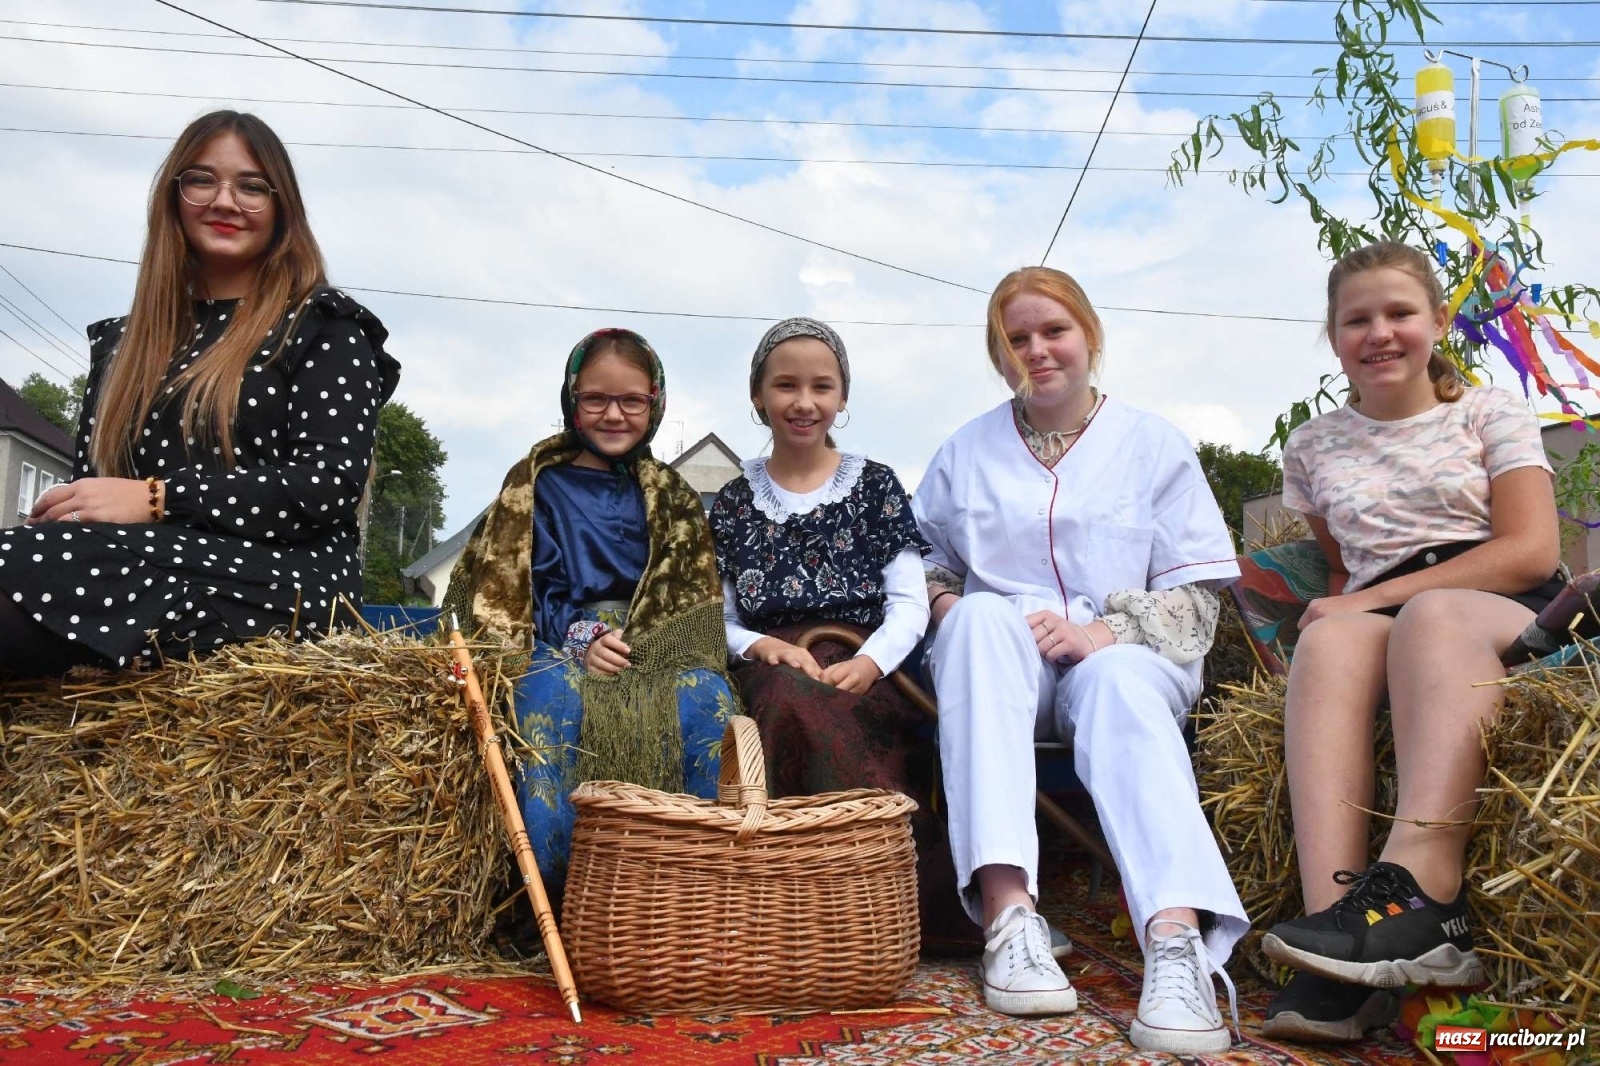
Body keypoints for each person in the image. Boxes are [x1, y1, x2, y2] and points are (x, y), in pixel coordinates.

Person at [912, 267, 1246, 1054]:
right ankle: (1010, 917)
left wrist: (1106, 634)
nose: (1037, 350)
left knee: (1118, 685)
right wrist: (952, 609)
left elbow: (1198, 595)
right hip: (1009, 671)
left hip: (1127, 653)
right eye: (1015, 339)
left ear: (1089, 336)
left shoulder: (1153, 443)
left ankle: (1176, 943)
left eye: (1052, 331)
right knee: (978, 622)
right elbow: (925, 561)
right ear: (998, 356)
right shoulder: (965, 450)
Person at [1261, 241, 1561, 1043]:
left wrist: (1380, 599)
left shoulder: (1488, 410)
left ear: (1435, 323)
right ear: (1334, 338)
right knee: (1326, 647)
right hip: (1383, 610)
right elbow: (1338, 567)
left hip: (1501, 603)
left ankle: (1428, 898)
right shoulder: (1313, 445)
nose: (1380, 332)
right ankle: (1343, 939)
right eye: (1358, 319)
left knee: (1427, 616)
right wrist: (1351, 613)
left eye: (1399, 313)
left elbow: (1531, 548)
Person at [0, 111, 399, 680]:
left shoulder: (323, 327)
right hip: (130, 562)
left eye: (252, 186)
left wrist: (159, 499)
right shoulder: (123, 343)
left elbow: (325, 486)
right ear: (174, 196)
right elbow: (92, 488)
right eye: (202, 179)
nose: (225, 200)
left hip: (282, 581)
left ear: (283, 207)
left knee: (37, 563)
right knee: (33, 555)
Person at [444, 328, 738, 888]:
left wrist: (647, 644)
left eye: (632, 400)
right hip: (558, 642)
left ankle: (696, 885)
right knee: (549, 705)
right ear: (570, 399)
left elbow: (692, 598)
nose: (613, 414)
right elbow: (519, 586)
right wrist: (581, 636)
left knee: (709, 701)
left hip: (654, 646)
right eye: (595, 398)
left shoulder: (672, 494)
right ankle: (555, 885)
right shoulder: (539, 485)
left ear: (656, 403)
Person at [708, 318, 970, 942]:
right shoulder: (734, 500)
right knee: (782, 702)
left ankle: (907, 901)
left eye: (822, 387)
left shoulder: (875, 486)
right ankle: (790, 911)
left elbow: (909, 603)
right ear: (757, 397)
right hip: (771, 665)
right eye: (786, 386)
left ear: (843, 397)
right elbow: (717, 618)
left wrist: (871, 664)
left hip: (867, 664)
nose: (804, 402)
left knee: (825, 706)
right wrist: (761, 645)